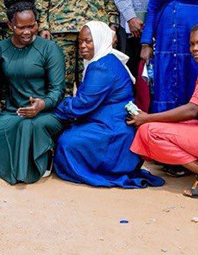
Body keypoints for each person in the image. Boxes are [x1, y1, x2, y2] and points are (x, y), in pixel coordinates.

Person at [129, 23, 198, 195]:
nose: (194, 48)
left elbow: (193, 110)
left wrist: (147, 118)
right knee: (171, 125)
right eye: (192, 44)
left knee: (148, 131)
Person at [54, 22, 163, 188]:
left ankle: (99, 171)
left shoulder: (101, 67)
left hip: (113, 129)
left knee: (67, 143)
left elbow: (82, 103)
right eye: (80, 42)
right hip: (111, 121)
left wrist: (56, 106)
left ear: (99, 40)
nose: (82, 46)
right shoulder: (105, 58)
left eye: (88, 41)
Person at [0, 0, 65, 185]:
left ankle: (43, 161)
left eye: (32, 26)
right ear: (10, 25)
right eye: (21, 27)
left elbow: (57, 90)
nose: (27, 31)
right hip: (13, 111)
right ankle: (11, 168)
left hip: (46, 112)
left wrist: (41, 104)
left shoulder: (49, 49)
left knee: (29, 126)